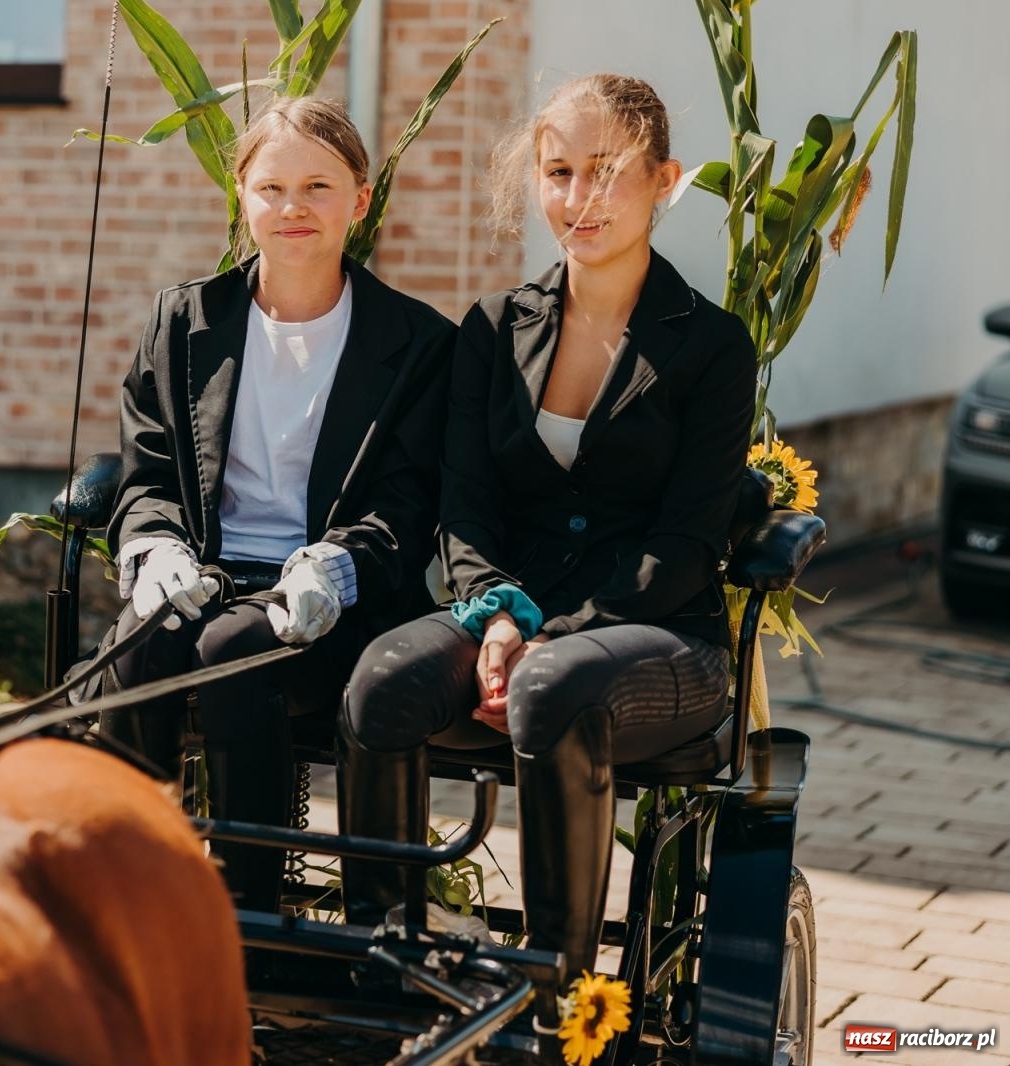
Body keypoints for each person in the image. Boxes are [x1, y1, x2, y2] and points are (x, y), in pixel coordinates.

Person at [336, 74, 757, 1042]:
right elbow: (465, 509)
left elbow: (686, 545)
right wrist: (492, 615)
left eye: (606, 172)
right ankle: (387, 967)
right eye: (559, 172)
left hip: (656, 641)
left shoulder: (709, 347)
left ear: (664, 181)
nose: (579, 198)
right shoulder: (491, 329)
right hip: (510, 626)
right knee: (381, 683)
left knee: (555, 686)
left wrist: (546, 637)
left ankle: (557, 1005)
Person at [102, 97, 456, 914]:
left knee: (233, 647)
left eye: (318, 187)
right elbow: (147, 466)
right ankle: (126, 890)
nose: (292, 208)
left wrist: (338, 565)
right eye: (271, 188)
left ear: (360, 199)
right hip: (205, 573)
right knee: (135, 647)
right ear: (242, 196)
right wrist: (155, 550)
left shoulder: (418, 344)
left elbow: (409, 500)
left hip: (334, 601)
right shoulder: (185, 319)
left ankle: (247, 911)